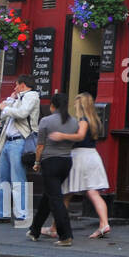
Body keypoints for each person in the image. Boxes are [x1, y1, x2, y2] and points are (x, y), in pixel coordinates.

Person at [47, 93, 112, 239]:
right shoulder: (95, 120)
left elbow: (80, 136)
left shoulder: (83, 120)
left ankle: (55, 228)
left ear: (81, 105)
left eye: (76, 103)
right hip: (93, 156)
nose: (74, 106)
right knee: (93, 192)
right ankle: (104, 223)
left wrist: (62, 136)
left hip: (80, 158)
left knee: (66, 193)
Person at [25, 93, 82, 246]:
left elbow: (40, 145)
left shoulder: (46, 121)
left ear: (52, 106)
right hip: (66, 161)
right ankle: (34, 230)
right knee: (49, 195)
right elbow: (74, 141)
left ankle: (65, 236)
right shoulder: (74, 122)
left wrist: (37, 162)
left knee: (56, 199)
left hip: (50, 162)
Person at [0, 75, 40, 226]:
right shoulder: (19, 98)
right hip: (8, 141)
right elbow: (3, 116)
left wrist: (7, 107)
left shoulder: (31, 96)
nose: (14, 88)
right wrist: (10, 102)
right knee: (1, 178)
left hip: (20, 141)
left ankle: (22, 214)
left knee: (18, 178)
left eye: (16, 85)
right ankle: (1, 213)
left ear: (23, 85)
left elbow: (22, 113)